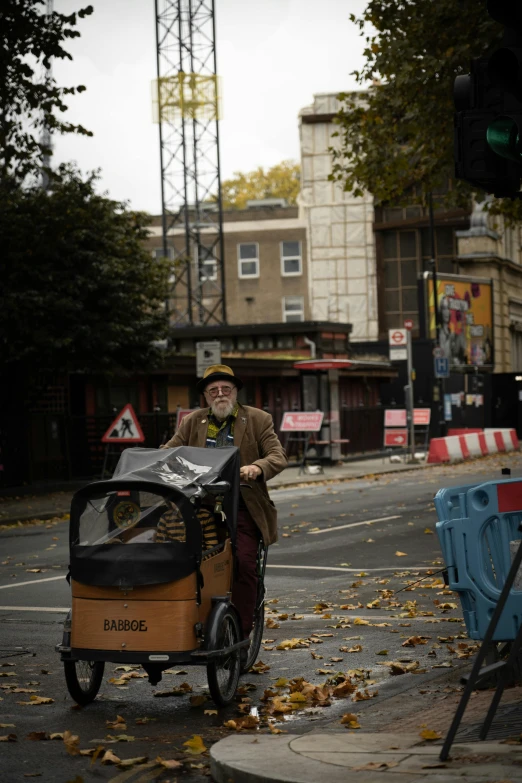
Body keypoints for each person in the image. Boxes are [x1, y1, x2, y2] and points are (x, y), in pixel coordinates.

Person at [161, 364, 287, 651]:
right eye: (213, 390)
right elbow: (171, 449)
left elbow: (277, 456)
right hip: (200, 505)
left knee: (243, 562)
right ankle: (188, 622)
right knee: (184, 559)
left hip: (242, 504)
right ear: (206, 396)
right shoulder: (193, 422)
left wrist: (257, 467)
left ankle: (240, 636)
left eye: (226, 389)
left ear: (235, 392)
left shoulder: (257, 419)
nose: (220, 394)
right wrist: (156, 461)